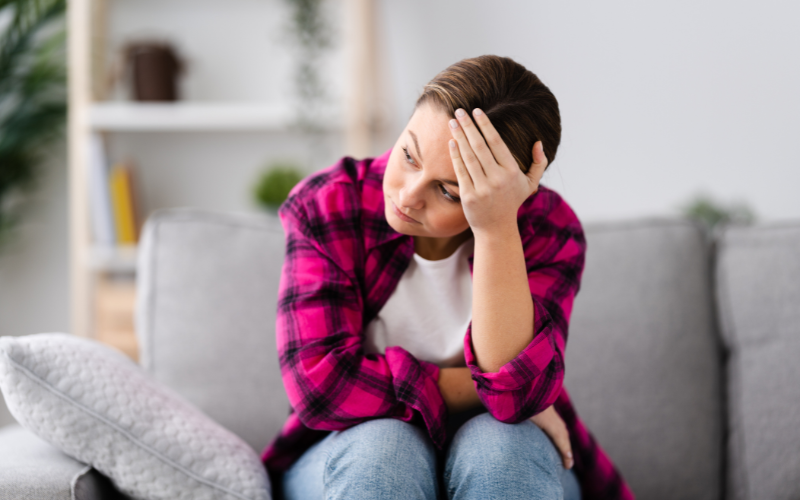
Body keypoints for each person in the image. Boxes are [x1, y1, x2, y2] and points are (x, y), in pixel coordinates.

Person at [262, 55, 633, 500]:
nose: (407, 195)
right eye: (408, 154)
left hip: (504, 448)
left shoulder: (547, 229)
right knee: (384, 449)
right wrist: (481, 387)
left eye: (448, 192)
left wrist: (496, 228)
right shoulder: (328, 204)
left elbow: (514, 401)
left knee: (504, 449)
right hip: (351, 451)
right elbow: (321, 386)